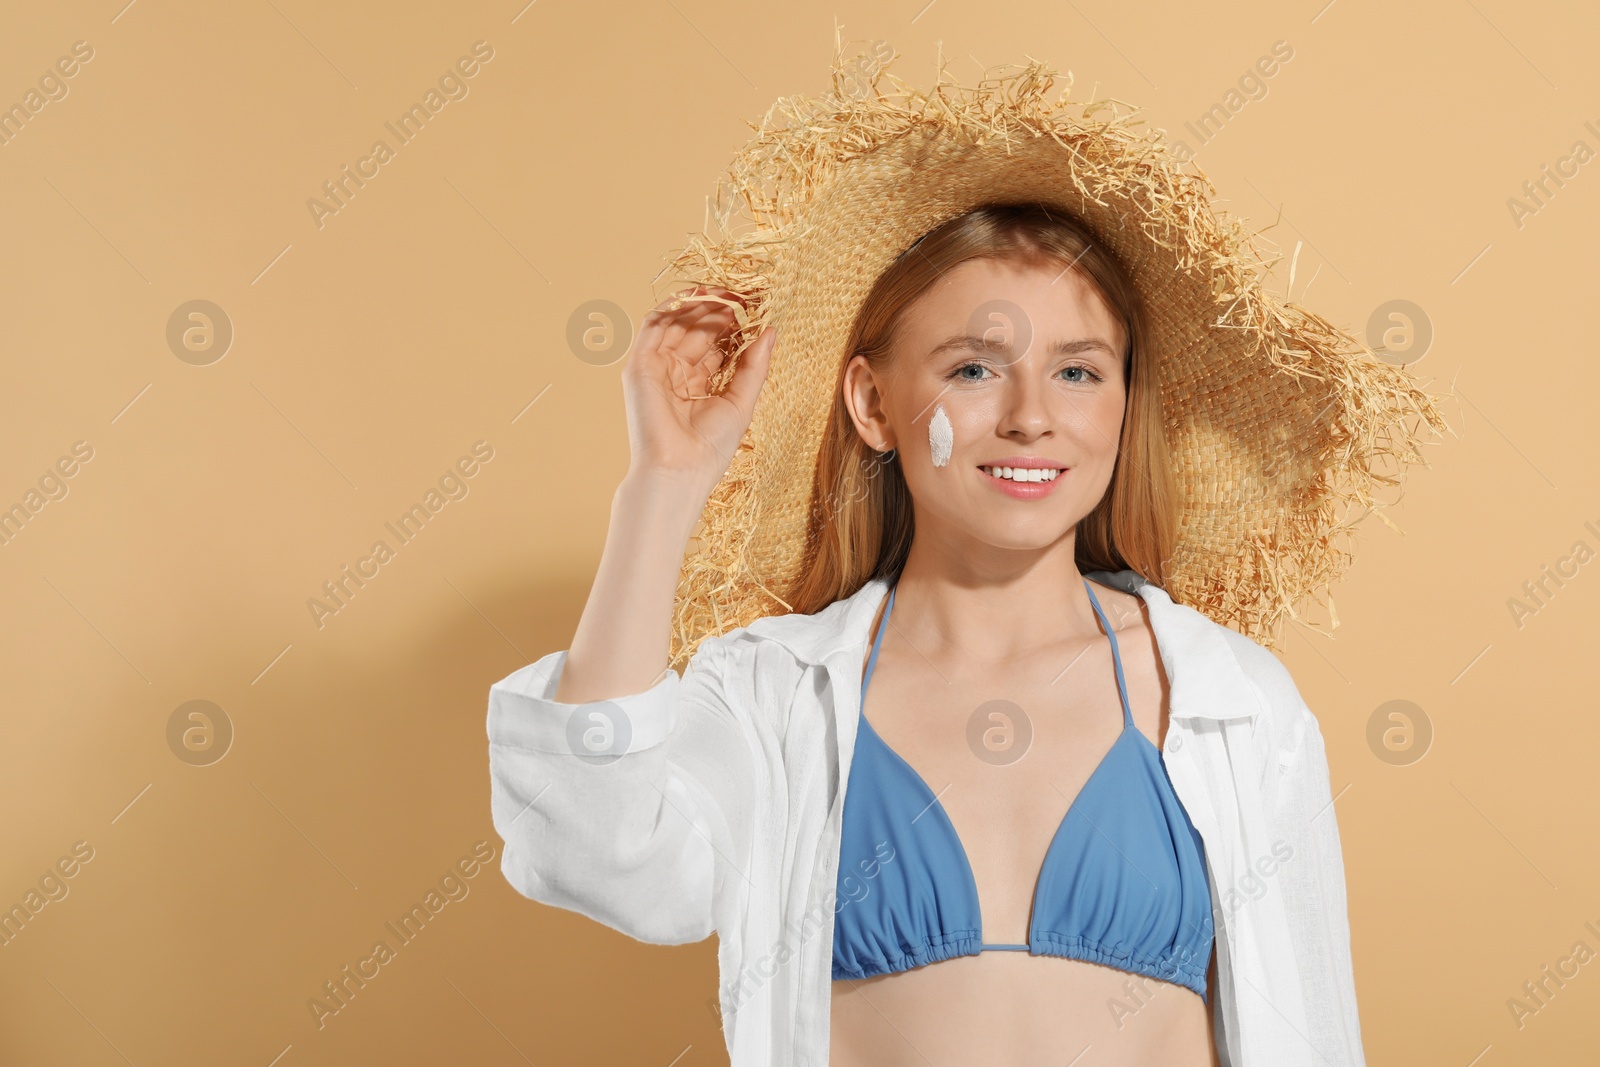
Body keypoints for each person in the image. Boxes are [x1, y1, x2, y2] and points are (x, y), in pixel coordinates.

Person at [485, 43, 1444, 1067]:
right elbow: (592, 850)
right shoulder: (770, 695)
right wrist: (664, 485)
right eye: (975, 366)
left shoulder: (1232, 700)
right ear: (873, 402)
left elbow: (1311, 1027)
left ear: (1123, 408)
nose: (1032, 417)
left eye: (1078, 372)